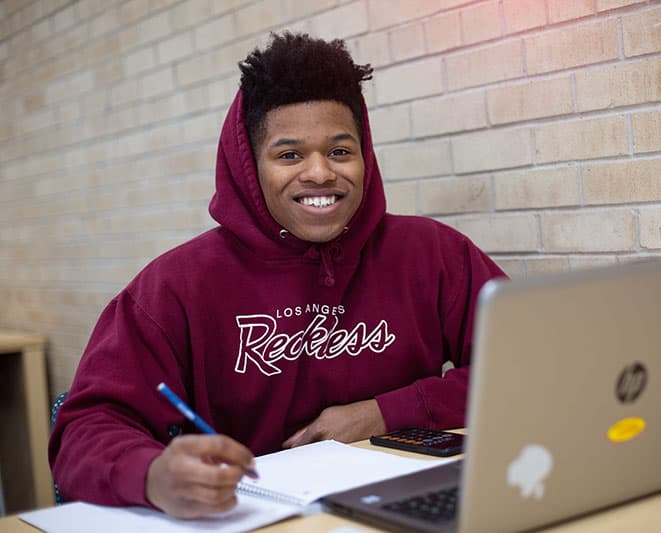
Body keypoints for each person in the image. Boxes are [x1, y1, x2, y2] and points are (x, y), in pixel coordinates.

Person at [49, 32, 505, 518]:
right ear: (249, 166)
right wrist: (151, 474)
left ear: (364, 154)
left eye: (339, 151)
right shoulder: (175, 286)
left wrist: (386, 413)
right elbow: (84, 430)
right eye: (289, 155)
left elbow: (530, 369)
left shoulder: (434, 253)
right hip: (253, 517)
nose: (320, 173)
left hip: (410, 507)